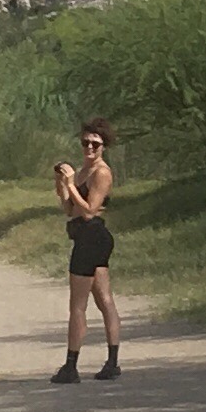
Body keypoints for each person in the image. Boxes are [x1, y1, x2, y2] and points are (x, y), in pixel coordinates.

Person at [52, 118, 126, 381]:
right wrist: (62, 187)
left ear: (104, 146)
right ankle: (112, 362)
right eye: (85, 143)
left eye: (95, 144)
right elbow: (71, 211)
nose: (89, 148)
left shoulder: (101, 173)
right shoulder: (83, 171)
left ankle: (71, 366)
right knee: (103, 298)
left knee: (78, 305)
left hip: (93, 236)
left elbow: (89, 211)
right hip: (86, 235)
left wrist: (71, 185)